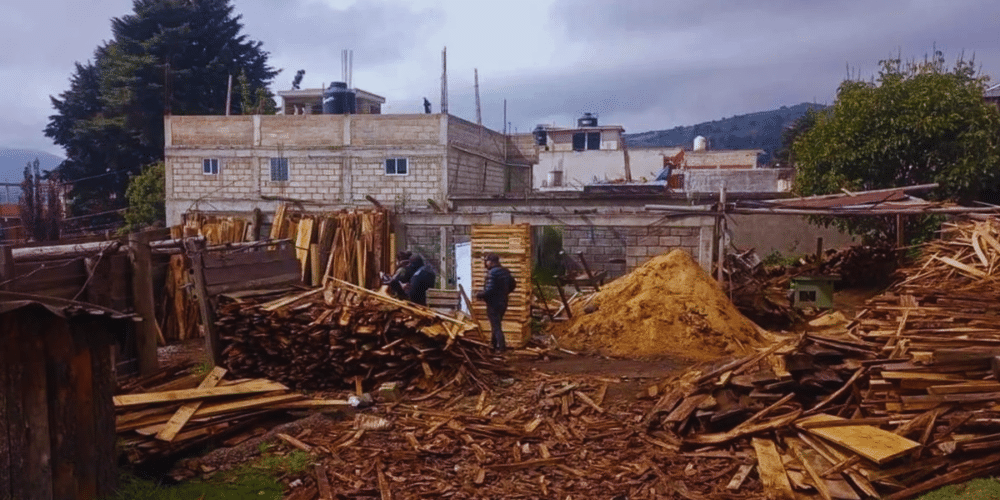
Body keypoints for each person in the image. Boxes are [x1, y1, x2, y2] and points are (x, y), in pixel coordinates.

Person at [475, 253, 516, 353]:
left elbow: (489, 290)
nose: (485, 263)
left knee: (496, 326)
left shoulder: (492, 273)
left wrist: (479, 295)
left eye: (486, 261)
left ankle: (501, 348)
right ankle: (493, 345)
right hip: (503, 302)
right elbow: (513, 285)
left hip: (493, 303)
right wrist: (504, 293)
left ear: (490, 262)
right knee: (496, 324)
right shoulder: (505, 272)